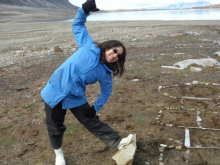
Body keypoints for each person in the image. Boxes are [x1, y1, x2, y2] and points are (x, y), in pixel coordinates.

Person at [41, 0, 133, 164]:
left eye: (118, 56)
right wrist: (83, 10)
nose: (114, 56)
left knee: (92, 121)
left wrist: (95, 107)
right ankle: (59, 153)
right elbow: (78, 25)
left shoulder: (106, 73)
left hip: (75, 97)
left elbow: (106, 92)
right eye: (114, 51)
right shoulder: (88, 45)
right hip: (55, 89)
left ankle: (118, 142)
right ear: (108, 46)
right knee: (54, 125)